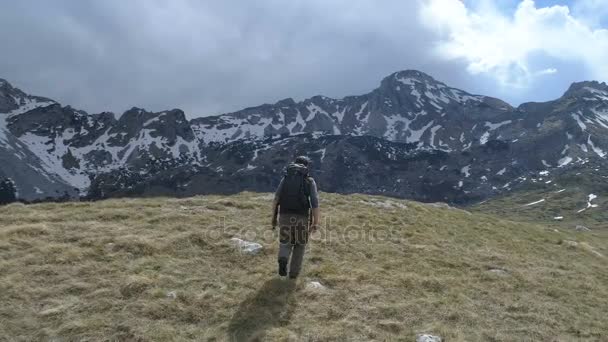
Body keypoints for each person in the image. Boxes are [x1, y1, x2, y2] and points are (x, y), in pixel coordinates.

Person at [272, 156, 320, 279]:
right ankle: (293, 274)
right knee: (300, 244)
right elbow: (314, 202)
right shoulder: (309, 180)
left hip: (284, 215)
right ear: (306, 166)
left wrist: (274, 217)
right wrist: (315, 222)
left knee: (285, 242)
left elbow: (276, 198)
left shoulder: (286, 178)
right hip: (301, 217)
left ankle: (283, 259)